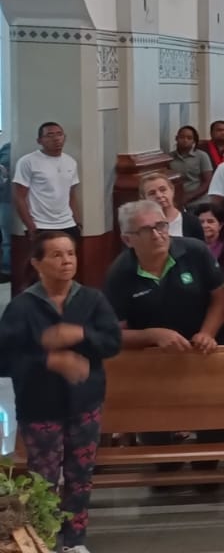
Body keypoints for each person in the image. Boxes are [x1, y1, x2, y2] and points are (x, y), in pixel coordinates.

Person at [0, 231, 121, 552]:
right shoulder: (22, 306)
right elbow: (5, 358)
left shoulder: (91, 300)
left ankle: (75, 540)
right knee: (45, 478)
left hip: (85, 403)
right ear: (37, 263)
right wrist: (50, 360)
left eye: (70, 253)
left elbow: (112, 343)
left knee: (80, 475)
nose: (67, 261)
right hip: (40, 406)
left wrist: (80, 333)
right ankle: (48, 537)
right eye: (56, 255)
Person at [104, 199, 224, 490]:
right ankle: (165, 467)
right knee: (155, 423)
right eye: (146, 230)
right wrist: (150, 335)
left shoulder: (194, 251)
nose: (158, 234)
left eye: (161, 226)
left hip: (203, 351)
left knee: (210, 413)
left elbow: (222, 295)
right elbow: (113, 333)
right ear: (128, 239)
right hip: (152, 360)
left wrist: (208, 332)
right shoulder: (120, 273)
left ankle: (206, 470)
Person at [14, 122, 82, 242]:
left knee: (69, 258)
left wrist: (77, 221)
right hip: (40, 224)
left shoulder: (70, 162)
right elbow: (19, 196)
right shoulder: (28, 161)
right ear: (39, 140)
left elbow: (71, 195)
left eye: (59, 134)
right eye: (49, 135)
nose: (56, 139)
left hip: (67, 223)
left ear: (64, 138)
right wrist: (30, 226)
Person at [140, 171, 204, 239]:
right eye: (152, 193)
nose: (159, 195)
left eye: (163, 190)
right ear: (144, 199)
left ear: (172, 190)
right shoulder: (142, 226)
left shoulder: (192, 222)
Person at [169, 125, 214, 201]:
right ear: (176, 138)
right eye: (182, 137)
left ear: (194, 141)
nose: (185, 140)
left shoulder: (202, 156)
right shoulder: (169, 157)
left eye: (189, 138)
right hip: (176, 198)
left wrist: (190, 196)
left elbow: (208, 181)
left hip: (198, 198)